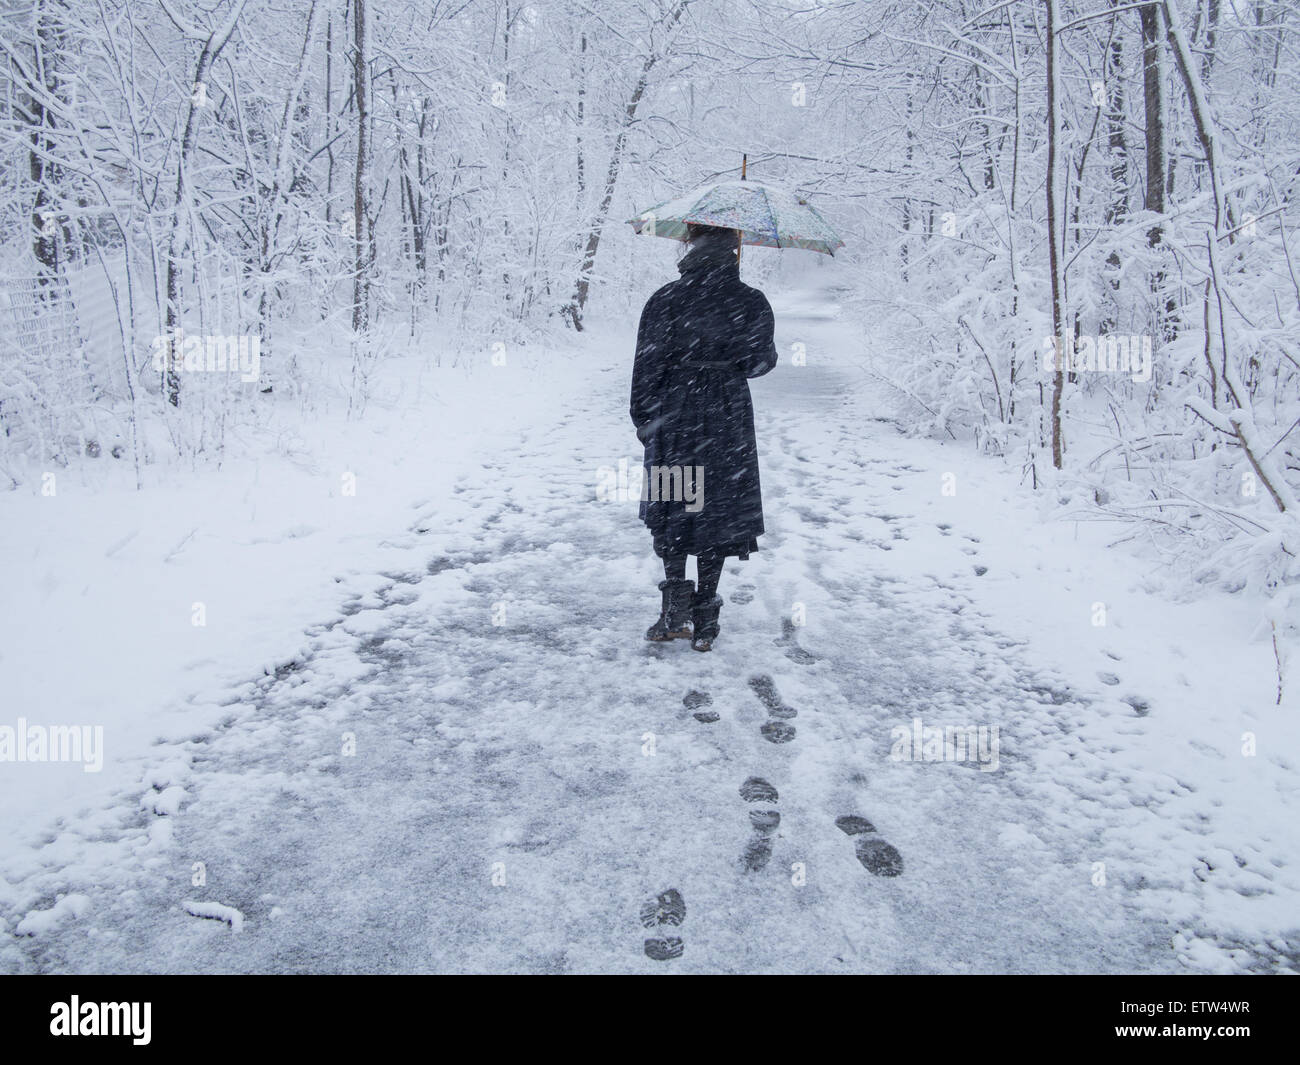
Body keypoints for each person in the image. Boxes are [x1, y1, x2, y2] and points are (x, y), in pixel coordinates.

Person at [630, 222, 779, 652]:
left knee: (676, 503)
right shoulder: (751, 301)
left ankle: (674, 611)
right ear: (734, 249)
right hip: (727, 415)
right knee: (717, 509)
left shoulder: (665, 299)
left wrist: (645, 420)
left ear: (690, 245)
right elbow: (759, 364)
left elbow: (646, 364)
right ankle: (706, 621)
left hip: (675, 415)